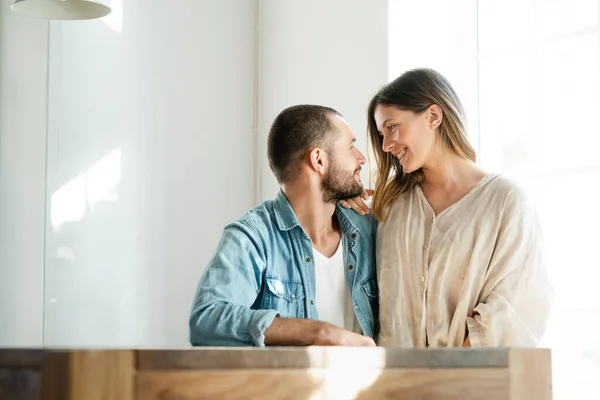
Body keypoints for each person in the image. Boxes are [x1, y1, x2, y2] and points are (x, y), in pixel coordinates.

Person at [341, 68, 553, 347]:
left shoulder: (505, 202)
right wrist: (341, 205)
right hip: (395, 385)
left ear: (433, 116)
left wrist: (448, 375)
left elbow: (516, 307)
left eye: (392, 127)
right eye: (381, 134)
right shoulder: (389, 205)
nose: (386, 145)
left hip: (472, 383)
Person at [189, 104, 378, 347]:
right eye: (351, 147)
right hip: (291, 385)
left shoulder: (367, 228)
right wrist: (318, 333)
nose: (360, 158)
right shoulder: (252, 237)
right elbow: (206, 320)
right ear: (318, 160)